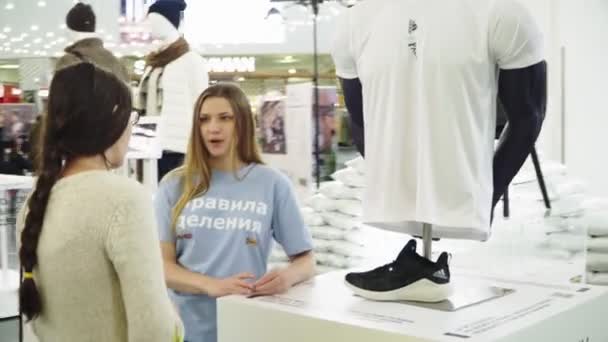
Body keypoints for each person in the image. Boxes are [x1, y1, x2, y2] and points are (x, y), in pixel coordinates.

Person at [332, 0, 546, 302]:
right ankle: (421, 269)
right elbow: (361, 120)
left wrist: (486, 195)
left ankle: (425, 269)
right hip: (406, 192)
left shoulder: (501, 12)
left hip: (462, 186)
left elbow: (528, 116)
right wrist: (397, 185)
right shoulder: (353, 23)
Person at [17, 63, 183, 341]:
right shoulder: (124, 199)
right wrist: (175, 321)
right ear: (112, 121)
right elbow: (154, 330)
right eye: (131, 119)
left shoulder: (36, 202)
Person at [155, 83, 315, 342]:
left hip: (246, 326)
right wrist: (211, 285)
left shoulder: (272, 184)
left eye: (225, 118)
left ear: (242, 123)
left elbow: (306, 260)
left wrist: (287, 276)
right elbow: (162, 266)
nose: (213, 128)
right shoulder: (174, 185)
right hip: (185, 330)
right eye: (204, 120)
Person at [55, 3, 129, 83]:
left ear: (70, 29)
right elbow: (127, 94)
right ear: (93, 27)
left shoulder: (67, 62)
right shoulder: (116, 64)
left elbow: (57, 94)